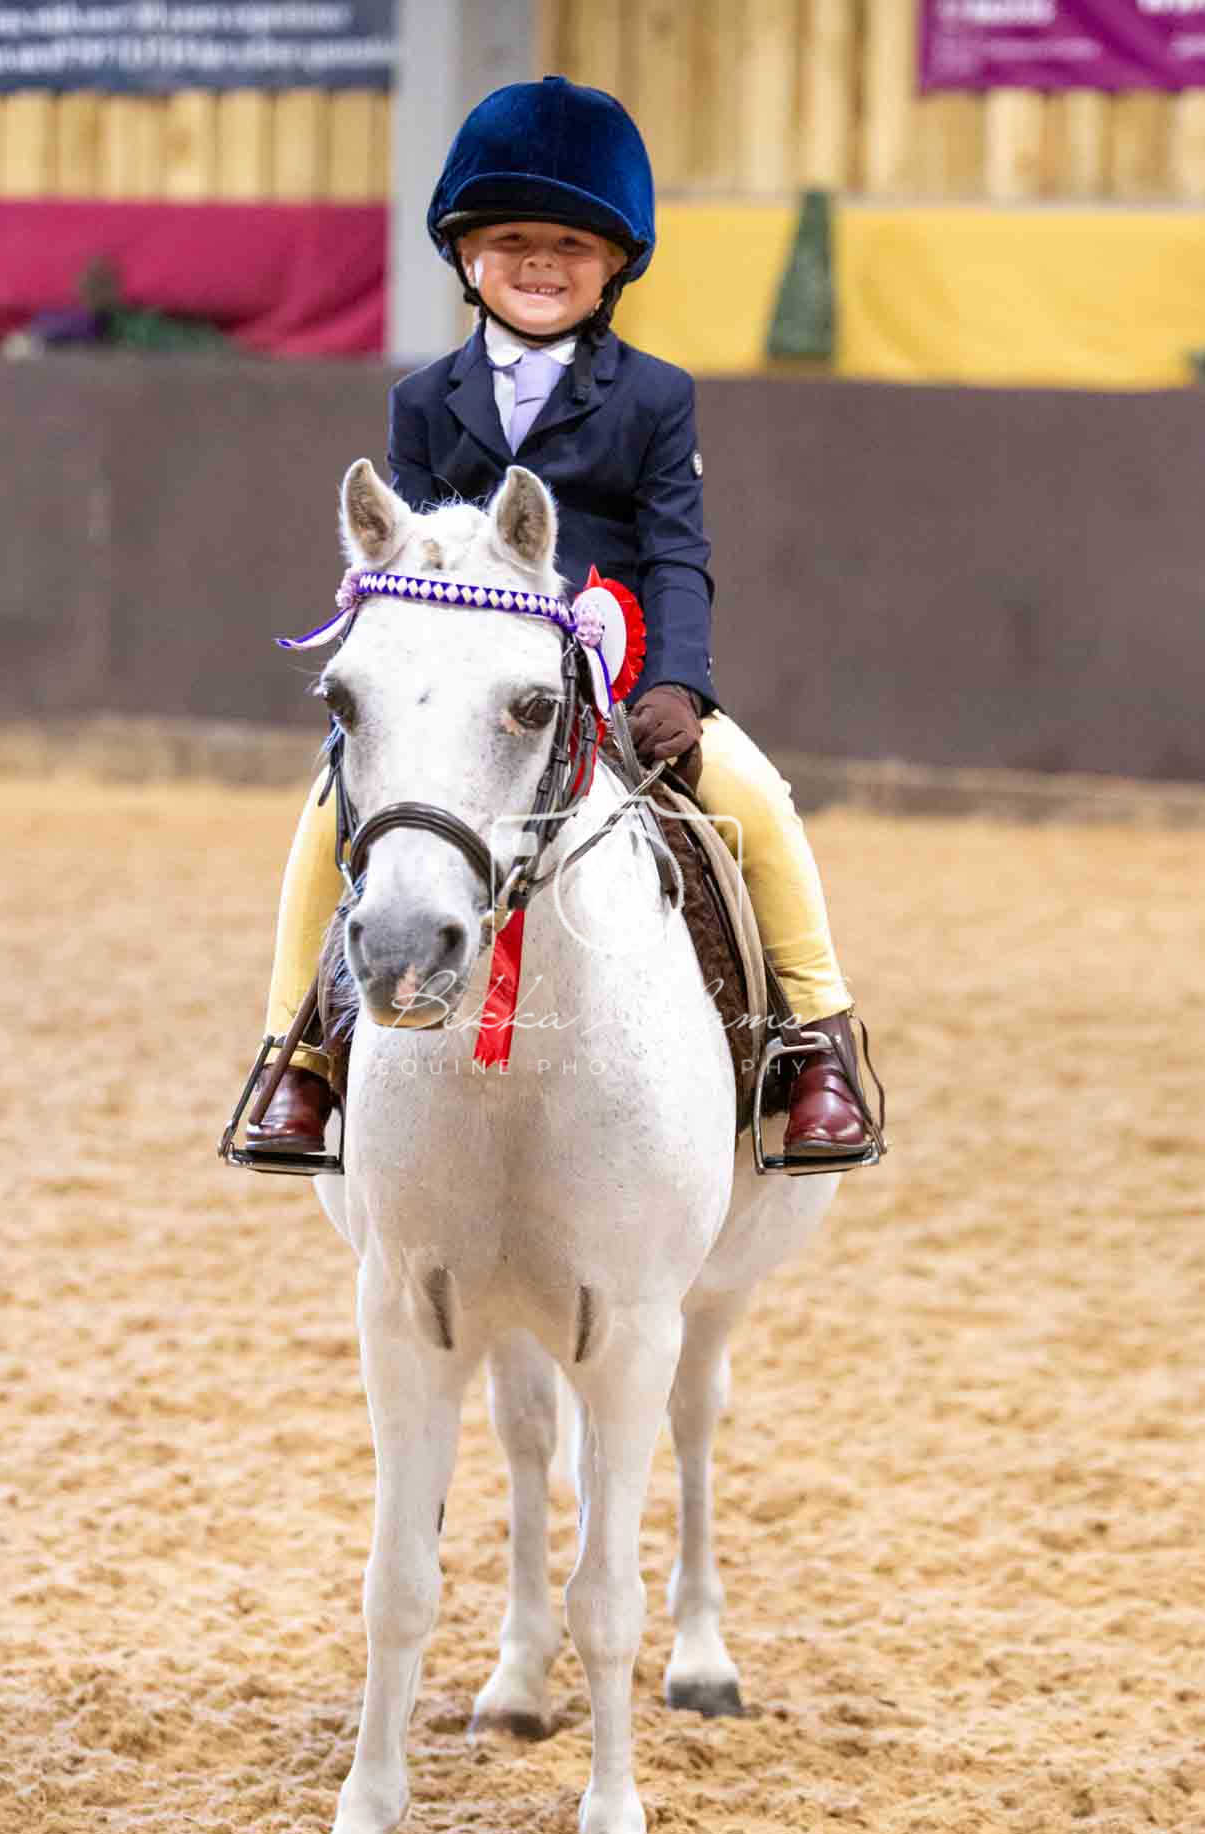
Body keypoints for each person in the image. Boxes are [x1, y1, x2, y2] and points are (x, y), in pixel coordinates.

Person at [245, 75, 878, 1168]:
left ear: (617, 264)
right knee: (322, 818)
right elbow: (410, 555)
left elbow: (676, 549)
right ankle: (294, 1056)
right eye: (515, 240)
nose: (541, 263)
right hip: (473, 682)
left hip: (621, 679)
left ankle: (817, 1042)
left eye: (572, 246)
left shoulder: (655, 396)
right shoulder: (423, 398)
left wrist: (680, 682)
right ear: (467, 257)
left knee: (754, 800)